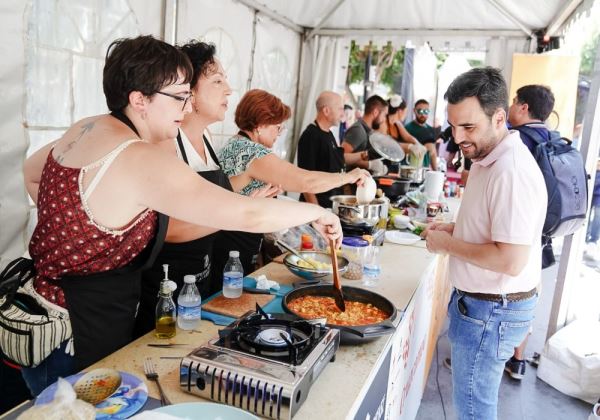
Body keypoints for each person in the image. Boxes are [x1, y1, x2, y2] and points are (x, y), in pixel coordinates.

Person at [19, 35, 342, 396]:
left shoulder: (85, 128)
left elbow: (31, 172)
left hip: (46, 317)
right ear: (139, 99)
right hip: (80, 336)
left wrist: (80, 230)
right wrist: (314, 211)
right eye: (178, 96)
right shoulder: (138, 155)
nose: (186, 107)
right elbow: (246, 213)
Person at [423, 67, 546, 419]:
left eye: (468, 127)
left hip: (491, 311)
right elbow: (492, 224)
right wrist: (456, 228)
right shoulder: (485, 154)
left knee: (474, 410)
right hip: (483, 307)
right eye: (454, 126)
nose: (458, 136)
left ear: (499, 118)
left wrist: (447, 246)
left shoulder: (511, 170)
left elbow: (509, 260)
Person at [134, 41, 280, 337]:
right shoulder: (165, 143)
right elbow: (166, 227)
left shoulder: (207, 138)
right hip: (167, 290)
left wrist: (245, 202)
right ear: (189, 92)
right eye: (217, 81)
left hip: (202, 278)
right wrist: (241, 213)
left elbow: (210, 196)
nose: (229, 89)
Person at [216, 89, 369, 274]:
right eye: (277, 127)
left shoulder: (234, 144)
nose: (279, 133)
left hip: (225, 238)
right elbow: (307, 181)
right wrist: (349, 177)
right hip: (235, 242)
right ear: (260, 125)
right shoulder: (253, 153)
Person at [297, 91, 368, 208]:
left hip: (331, 206)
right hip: (316, 209)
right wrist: (318, 213)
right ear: (326, 111)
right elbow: (305, 181)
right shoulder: (310, 136)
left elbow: (338, 161)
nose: (342, 114)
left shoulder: (329, 134)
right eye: (340, 109)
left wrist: (365, 156)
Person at [342, 94, 388, 174]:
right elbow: (341, 157)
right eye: (384, 115)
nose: (384, 119)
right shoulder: (358, 130)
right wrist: (369, 165)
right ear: (375, 112)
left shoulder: (368, 130)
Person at [405, 99, 439, 170]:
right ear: (414, 110)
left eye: (426, 111)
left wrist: (436, 171)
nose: (423, 114)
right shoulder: (407, 129)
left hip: (425, 170)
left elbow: (433, 153)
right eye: (420, 111)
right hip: (411, 169)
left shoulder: (431, 129)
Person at [585, 159, 600, 263]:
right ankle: (584, 238)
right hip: (592, 178)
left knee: (598, 215)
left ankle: (592, 241)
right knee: (585, 212)